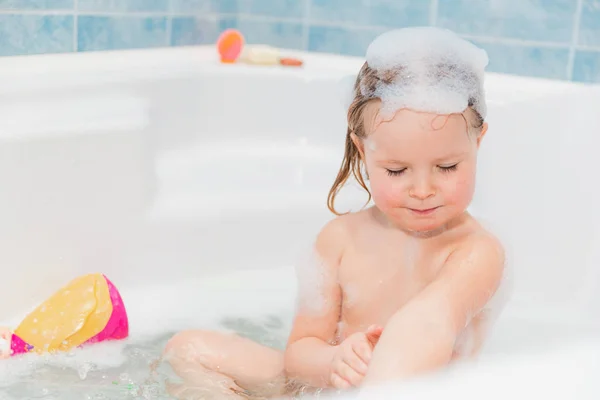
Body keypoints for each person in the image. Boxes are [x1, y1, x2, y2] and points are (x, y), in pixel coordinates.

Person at [162, 26, 508, 399]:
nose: (422, 190)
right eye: (396, 170)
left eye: (447, 168)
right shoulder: (341, 239)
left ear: (478, 141)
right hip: (329, 387)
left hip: (415, 391)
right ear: (363, 150)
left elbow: (429, 323)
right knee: (187, 348)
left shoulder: (476, 252)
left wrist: (377, 375)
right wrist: (333, 362)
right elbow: (301, 351)